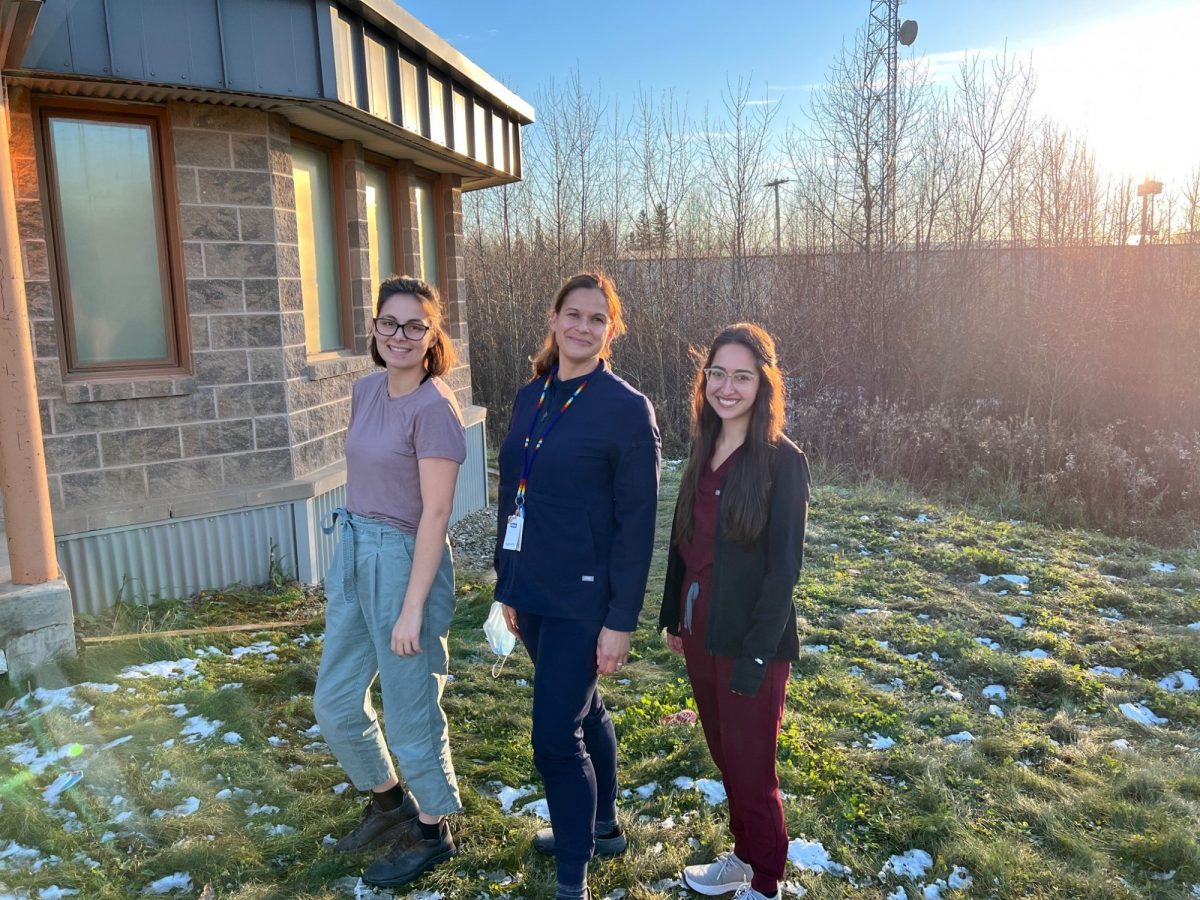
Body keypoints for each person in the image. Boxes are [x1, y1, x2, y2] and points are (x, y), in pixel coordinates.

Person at [495, 272, 660, 900]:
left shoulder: (624, 408)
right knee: (583, 707)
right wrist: (506, 583)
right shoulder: (529, 396)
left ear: (610, 330)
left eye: (597, 318)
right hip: (531, 589)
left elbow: (637, 524)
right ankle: (603, 824)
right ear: (555, 318)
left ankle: (573, 875)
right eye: (573, 314)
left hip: (583, 600)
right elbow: (513, 491)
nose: (583, 327)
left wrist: (620, 619)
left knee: (553, 736)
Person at [313, 276, 466, 889]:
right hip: (353, 549)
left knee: (409, 712)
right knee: (334, 701)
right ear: (374, 329)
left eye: (414, 326)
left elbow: (434, 515)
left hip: (406, 561)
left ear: (432, 337)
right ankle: (387, 801)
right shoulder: (365, 388)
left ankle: (433, 830)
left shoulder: (436, 409)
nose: (399, 336)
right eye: (388, 323)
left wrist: (411, 609)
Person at [659, 324, 810, 900]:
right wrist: (675, 614)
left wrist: (756, 652)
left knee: (752, 770)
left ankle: (766, 883)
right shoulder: (705, 443)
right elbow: (683, 538)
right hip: (702, 629)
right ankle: (745, 858)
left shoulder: (781, 462)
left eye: (742, 376)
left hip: (752, 642)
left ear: (763, 384)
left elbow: (783, 571)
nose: (727, 387)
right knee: (726, 755)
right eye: (717, 373)